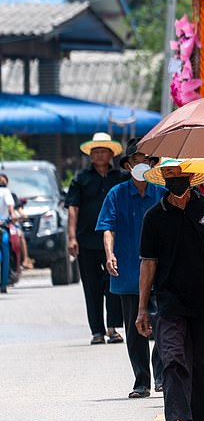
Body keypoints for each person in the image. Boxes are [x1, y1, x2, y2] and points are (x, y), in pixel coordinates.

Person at [137, 160, 204, 421]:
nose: (176, 178)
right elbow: (148, 263)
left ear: (191, 176)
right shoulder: (154, 216)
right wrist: (141, 308)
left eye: (181, 173)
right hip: (170, 301)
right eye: (170, 174)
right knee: (173, 358)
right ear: (162, 178)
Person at [96, 139, 165, 397]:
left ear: (151, 164)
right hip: (128, 271)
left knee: (161, 326)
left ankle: (161, 377)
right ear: (128, 165)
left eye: (145, 160)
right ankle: (141, 380)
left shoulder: (162, 191)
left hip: (160, 270)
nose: (140, 164)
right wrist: (109, 254)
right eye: (135, 160)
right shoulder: (117, 194)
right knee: (134, 327)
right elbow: (107, 228)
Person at [67, 132, 127, 344]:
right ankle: (97, 331)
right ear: (91, 155)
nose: (100, 155)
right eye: (96, 152)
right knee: (91, 287)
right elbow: (73, 208)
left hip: (114, 241)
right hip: (87, 241)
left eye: (104, 151)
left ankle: (113, 328)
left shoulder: (121, 178)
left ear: (111, 154)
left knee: (113, 284)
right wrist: (71, 237)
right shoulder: (80, 179)